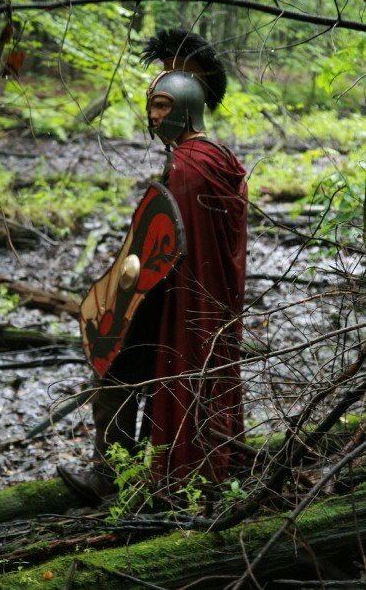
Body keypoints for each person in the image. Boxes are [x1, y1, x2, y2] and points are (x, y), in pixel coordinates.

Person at [58, 29, 248, 502]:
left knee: (119, 370)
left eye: (163, 106)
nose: (154, 116)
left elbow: (183, 246)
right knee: (131, 374)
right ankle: (132, 474)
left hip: (179, 299)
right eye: (153, 106)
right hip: (181, 295)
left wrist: (132, 299)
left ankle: (118, 481)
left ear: (188, 104)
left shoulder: (192, 166)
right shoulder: (217, 156)